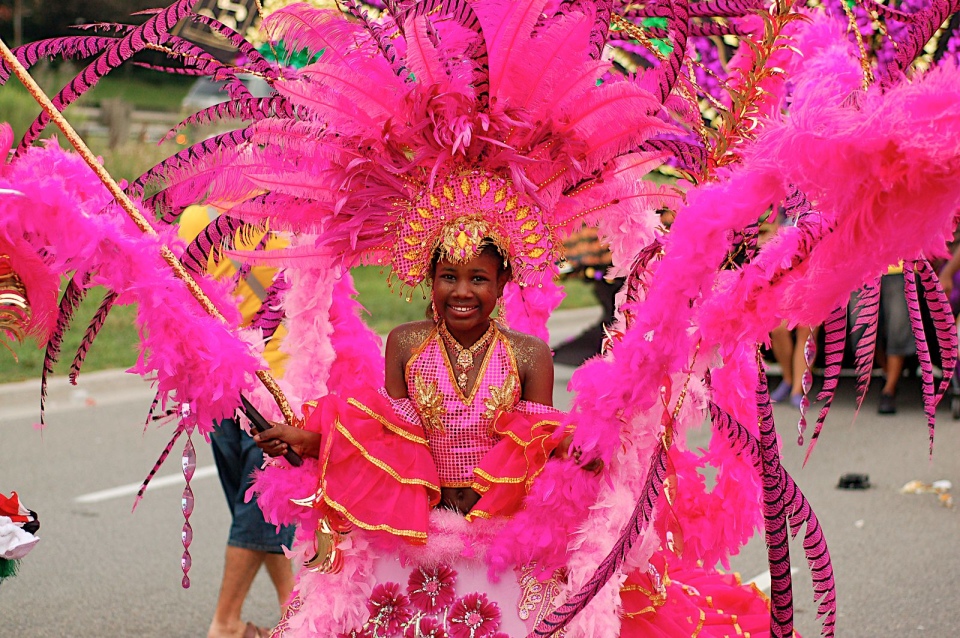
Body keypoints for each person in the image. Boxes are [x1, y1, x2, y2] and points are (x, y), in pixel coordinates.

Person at [177, 206, 295, 638]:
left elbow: (184, 308)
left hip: (220, 388)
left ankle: (294, 611)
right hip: (277, 386)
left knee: (260, 509)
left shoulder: (197, 219)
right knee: (260, 510)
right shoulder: (296, 222)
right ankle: (225, 624)